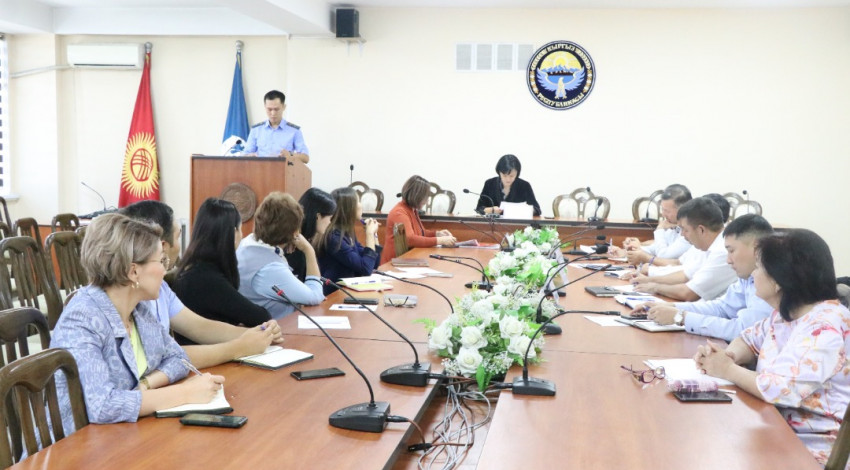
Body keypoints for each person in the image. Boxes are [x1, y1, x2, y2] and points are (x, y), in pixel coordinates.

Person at [51, 213, 224, 435]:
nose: (165, 270)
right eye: (161, 261)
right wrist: (185, 393)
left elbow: (179, 358)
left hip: (123, 434)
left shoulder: (138, 309)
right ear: (133, 271)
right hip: (77, 444)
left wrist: (146, 385)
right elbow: (102, 406)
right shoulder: (82, 319)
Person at [695, 229, 850, 466]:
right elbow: (749, 339)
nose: (753, 274)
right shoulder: (787, 313)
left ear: (778, 280)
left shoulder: (825, 327)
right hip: (773, 426)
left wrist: (726, 369)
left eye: (759, 268)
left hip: (812, 446)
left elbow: (779, 389)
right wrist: (728, 356)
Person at [121, 201, 280, 366]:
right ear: (162, 246)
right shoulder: (118, 303)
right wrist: (239, 347)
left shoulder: (162, 289)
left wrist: (258, 334)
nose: (165, 271)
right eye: (178, 236)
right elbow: (164, 356)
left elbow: (200, 327)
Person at [631, 214, 774, 341]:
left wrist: (681, 317)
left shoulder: (772, 281)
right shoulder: (748, 276)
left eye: (732, 251)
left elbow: (743, 330)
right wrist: (670, 307)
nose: (728, 260)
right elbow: (722, 308)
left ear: (757, 248)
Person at [173, 198, 274, 332]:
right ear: (233, 233)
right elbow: (261, 318)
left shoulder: (195, 268)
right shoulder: (206, 278)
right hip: (210, 345)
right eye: (240, 229)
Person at [237, 191, 325, 318]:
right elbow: (315, 297)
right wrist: (309, 250)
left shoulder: (247, 243)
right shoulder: (270, 268)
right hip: (280, 326)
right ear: (295, 232)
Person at [631, 197, 736, 301]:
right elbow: (685, 275)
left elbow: (689, 293)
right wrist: (649, 280)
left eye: (685, 229)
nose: (682, 234)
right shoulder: (706, 245)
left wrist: (654, 287)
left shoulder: (722, 252)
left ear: (701, 230)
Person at [316, 187, 382, 294]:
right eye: (358, 201)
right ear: (349, 208)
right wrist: (369, 234)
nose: (361, 205)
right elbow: (366, 269)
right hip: (333, 295)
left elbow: (374, 264)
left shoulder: (346, 232)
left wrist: (374, 235)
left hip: (347, 292)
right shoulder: (334, 238)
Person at [381, 175, 456, 265]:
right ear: (417, 196)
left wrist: (437, 234)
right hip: (392, 264)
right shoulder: (399, 212)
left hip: (406, 260)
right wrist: (439, 240)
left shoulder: (412, 210)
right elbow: (410, 239)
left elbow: (420, 233)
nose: (427, 202)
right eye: (426, 198)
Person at [285, 188, 336, 281]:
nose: (330, 222)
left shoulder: (305, 239)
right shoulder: (294, 245)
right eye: (329, 218)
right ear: (318, 216)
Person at [244, 90, 309, 163]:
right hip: (259, 168)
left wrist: (290, 154)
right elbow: (245, 155)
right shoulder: (256, 130)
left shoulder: (294, 131)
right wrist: (249, 156)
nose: (273, 113)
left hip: (284, 169)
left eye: (276, 109)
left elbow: (305, 158)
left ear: (284, 107)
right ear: (265, 107)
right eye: (269, 109)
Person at [475, 154, 541, 216]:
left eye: (511, 176)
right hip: (493, 223)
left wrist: (522, 210)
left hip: (516, 223)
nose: (508, 179)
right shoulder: (489, 184)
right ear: (499, 172)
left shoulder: (524, 186)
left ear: (517, 173)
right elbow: (479, 209)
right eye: (504, 175)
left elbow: (537, 210)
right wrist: (492, 210)